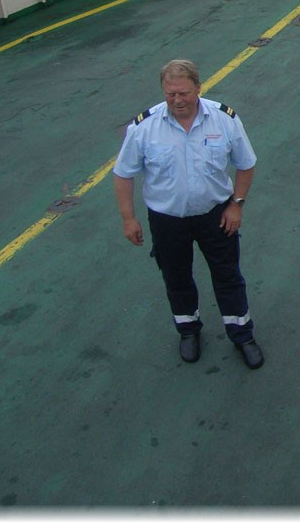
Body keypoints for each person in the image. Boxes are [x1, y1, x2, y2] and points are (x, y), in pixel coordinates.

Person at [113, 59, 264, 370]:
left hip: (216, 215)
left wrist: (237, 204)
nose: (177, 101)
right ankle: (188, 331)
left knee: (228, 276)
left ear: (198, 87)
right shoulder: (144, 127)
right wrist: (129, 218)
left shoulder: (224, 120)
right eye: (170, 94)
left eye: (183, 93)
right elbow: (123, 173)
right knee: (177, 278)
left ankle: (241, 334)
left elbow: (245, 164)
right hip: (168, 221)